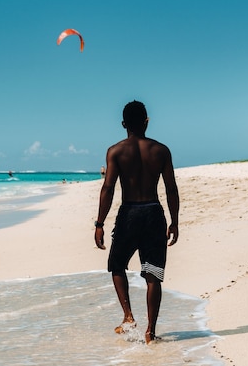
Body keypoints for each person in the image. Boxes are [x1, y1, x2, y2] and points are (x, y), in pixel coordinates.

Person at [94, 100, 179, 344]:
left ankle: (128, 316)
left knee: (117, 265)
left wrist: (99, 223)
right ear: (146, 121)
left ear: (123, 124)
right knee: (153, 275)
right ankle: (150, 332)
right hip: (153, 213)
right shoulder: (161, 150)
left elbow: (108, 188)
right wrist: (174, 222)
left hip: (129, 213)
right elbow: (171, 189)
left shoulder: (116, 151)